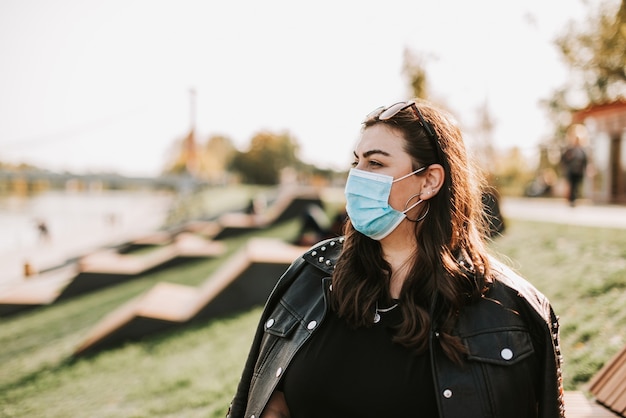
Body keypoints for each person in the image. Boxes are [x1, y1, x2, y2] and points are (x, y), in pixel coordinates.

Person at [227, 99, 565, 418]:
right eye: (355, 162)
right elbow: (267, 397)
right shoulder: (311, 277)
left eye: (375, 163)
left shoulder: (508, 311)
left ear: (430, 181)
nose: (356, 177)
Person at [560, 124, 589, 206]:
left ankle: (574, 199)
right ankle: (571, 200)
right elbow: (564, 160)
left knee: (577, 186)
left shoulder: (582, 151)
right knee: (571, 185)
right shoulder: (569, 150)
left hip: (579, 171)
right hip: (571, 171)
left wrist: (586, 169)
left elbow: (585, 161)